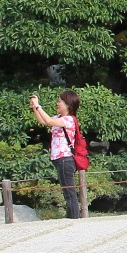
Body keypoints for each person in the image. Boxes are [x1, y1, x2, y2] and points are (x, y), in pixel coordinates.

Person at [30, 89, 87, 218]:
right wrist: (35, 108)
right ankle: (72, 217)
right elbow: (44, 121)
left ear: (68, 104)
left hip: (65, 158)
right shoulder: (59, 118)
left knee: (69, 191)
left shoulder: (69, 120)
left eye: (60, 101)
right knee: (67, 190)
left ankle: (74, 219)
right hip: (60, 159)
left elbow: (49, 121)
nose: (57, 103)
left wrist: (39, 106)